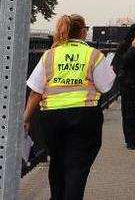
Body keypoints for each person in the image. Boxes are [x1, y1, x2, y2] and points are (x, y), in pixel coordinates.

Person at [23, 14, 115, 200]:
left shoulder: (50, 55)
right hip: (84, 117)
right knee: (77, 166)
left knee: (57, 162)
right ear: (82, 32)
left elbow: (35, 91)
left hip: (51, 118)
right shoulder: (93, 54)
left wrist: (26, 118)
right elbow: (105, 86)